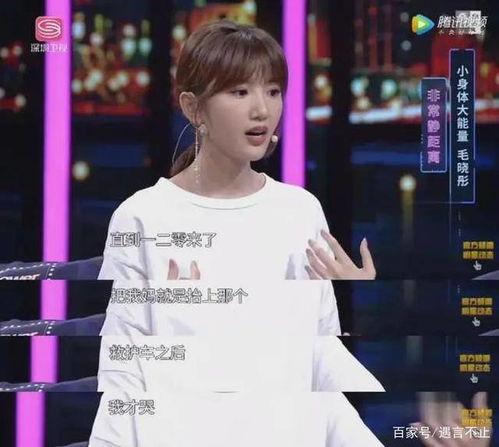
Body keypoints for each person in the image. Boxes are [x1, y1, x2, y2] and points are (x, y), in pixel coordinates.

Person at [97, 19, 376, 282]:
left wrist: (355, 291)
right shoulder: (140, 218)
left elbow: (320, 320)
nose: (262, 110)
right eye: (240, 92)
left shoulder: (301, 210)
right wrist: (173, 311)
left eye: (273, 91)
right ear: (193, 108)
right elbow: (118, 321)